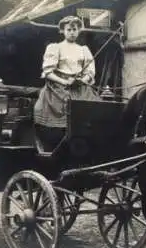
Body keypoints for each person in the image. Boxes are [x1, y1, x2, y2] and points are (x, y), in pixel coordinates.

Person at [33, 15, 100, 152]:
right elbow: (48, 72)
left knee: (94, 110)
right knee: (62, 113)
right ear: (62, 31)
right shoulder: (55, 48)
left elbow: (90, 71)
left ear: (79, 31)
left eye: (74, 29)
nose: (72, 32)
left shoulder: (83, 50)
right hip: (58, 87)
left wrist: (83, 80)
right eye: (69, 29)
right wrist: (64, 82)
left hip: (80, 87)